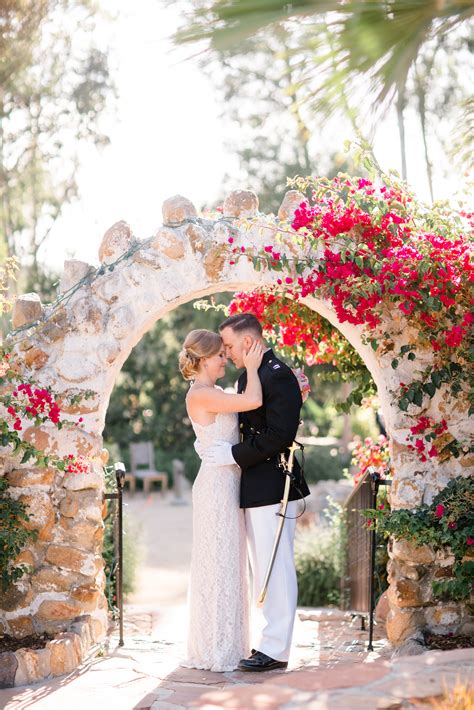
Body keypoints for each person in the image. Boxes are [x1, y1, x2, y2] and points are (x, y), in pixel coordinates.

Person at [205, 313, 310, 672]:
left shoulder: (278, 376)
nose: (228, 352)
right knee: (263, 566)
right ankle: (269, 642)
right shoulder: (249, 376)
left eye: (231, 346)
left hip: (275, 488)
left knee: (275, 567)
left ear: (248, 342)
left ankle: (276, 649)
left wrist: (233, 455)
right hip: (256, 487)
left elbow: (279, 435)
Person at [178, 328, 265, 672]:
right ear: (203, 360)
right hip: (215, 487)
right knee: (218, 564)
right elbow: (253, 401)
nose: (225, 358)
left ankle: (228, 644)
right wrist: (255, 368)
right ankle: (216, 648)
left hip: (227, 484)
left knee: (229, 564)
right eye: (219, 355)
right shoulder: (201, 395)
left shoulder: (213, 392)